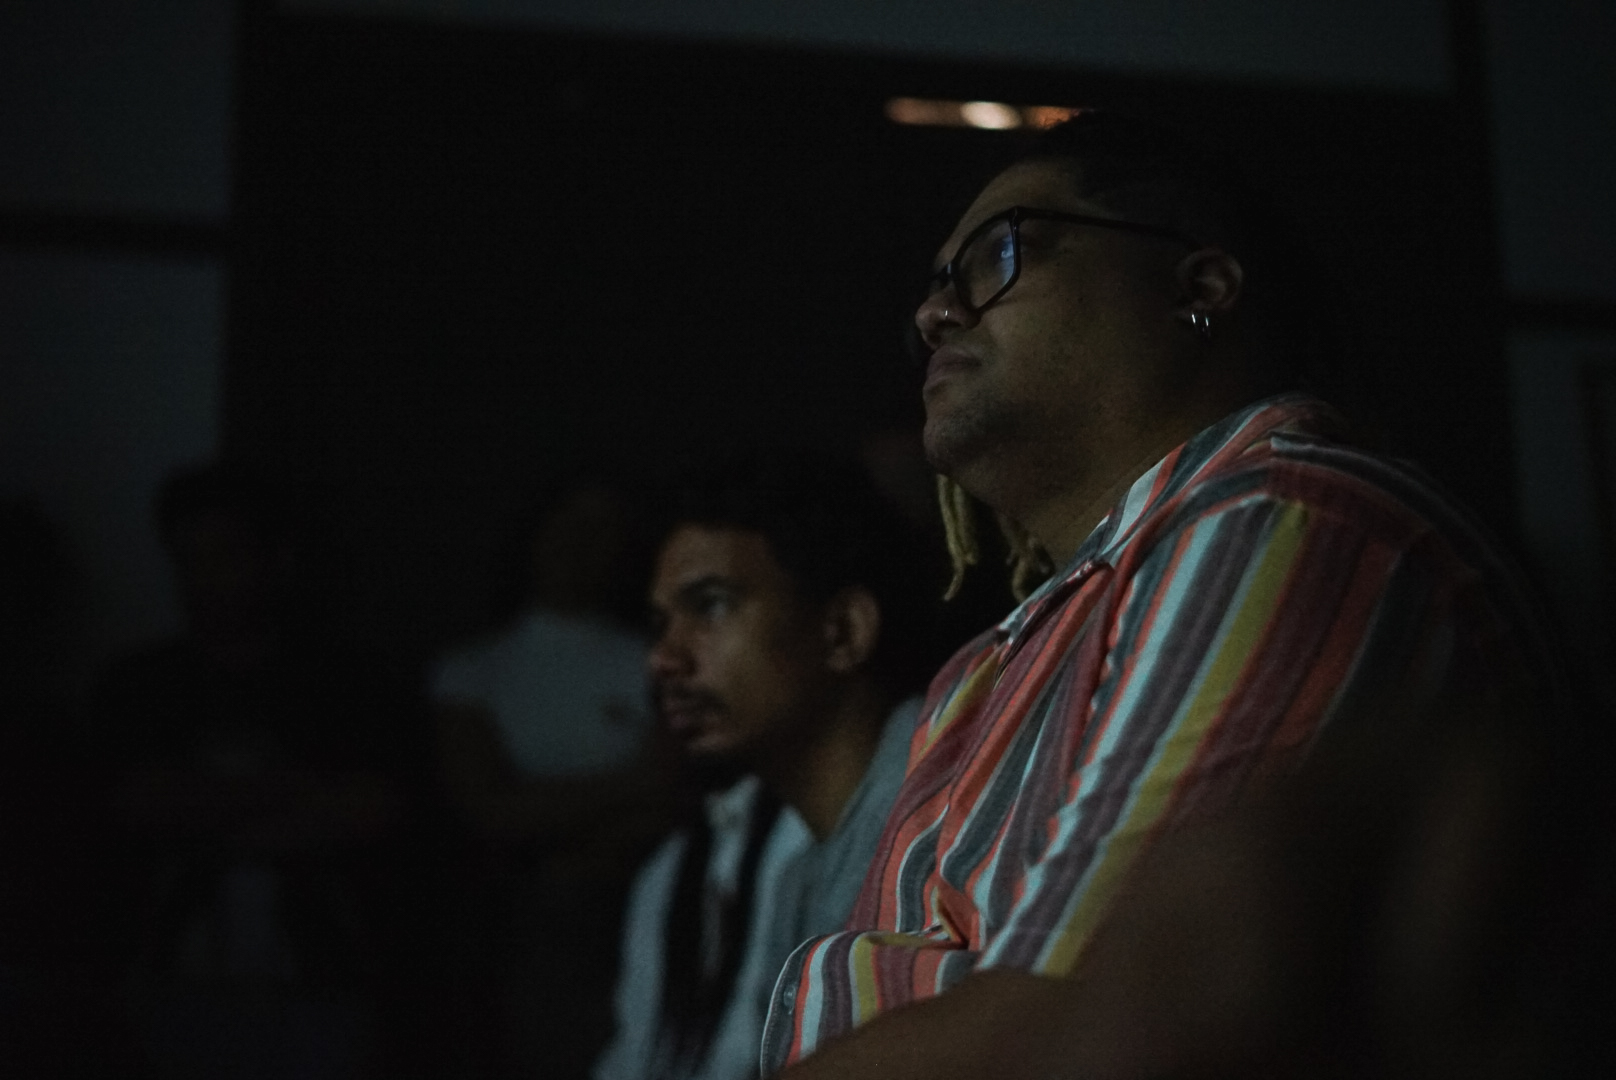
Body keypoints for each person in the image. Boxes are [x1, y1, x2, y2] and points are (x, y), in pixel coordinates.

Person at [761, 111, 1556, 1079]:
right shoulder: (992, 660)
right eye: (933, 287)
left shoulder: (1279, 518)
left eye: (995, 256)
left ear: (1197, 286)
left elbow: (1098, 1025)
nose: (935, 315)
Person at [595, 452, 943, 1080]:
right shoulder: (795, 880)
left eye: (711, 606)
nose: (663, 659)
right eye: (659, 624)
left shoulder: (947, 806)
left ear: (843, 630)